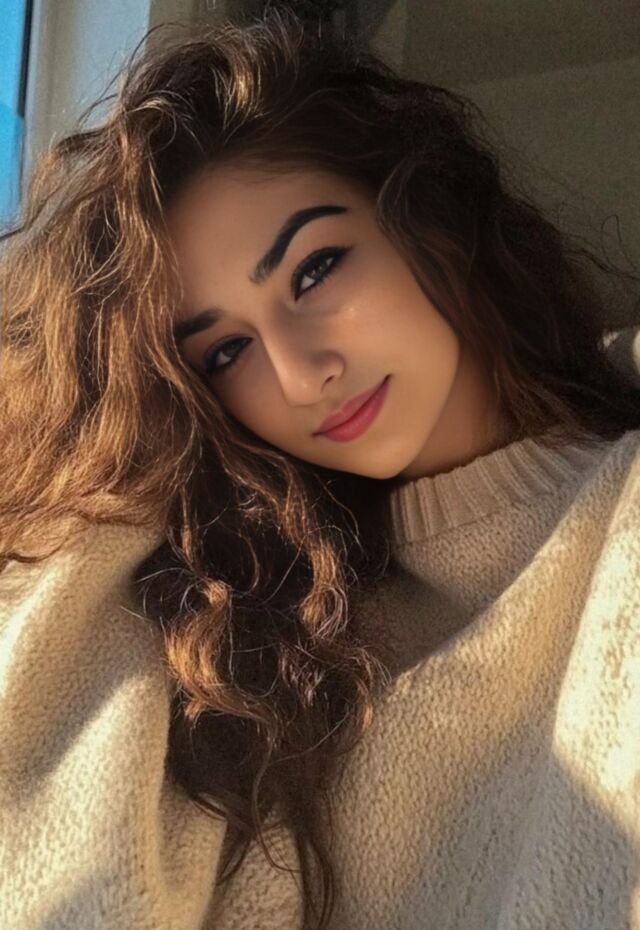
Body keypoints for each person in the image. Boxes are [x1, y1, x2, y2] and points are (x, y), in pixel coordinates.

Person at [0, 9, 638, 930]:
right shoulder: (271, 657)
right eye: (225, 352)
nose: (302, 376)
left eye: (314, 270)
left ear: (429, 216)